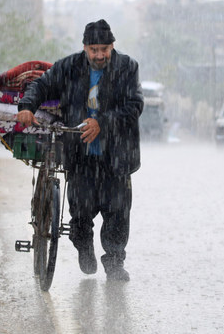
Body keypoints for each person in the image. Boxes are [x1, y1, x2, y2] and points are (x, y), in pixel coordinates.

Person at [16, 19, 143, 281]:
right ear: (85, 48)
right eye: (94, 49)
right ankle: (83, 246)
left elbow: (134, 105)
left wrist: (103, 122)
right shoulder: (69, 67)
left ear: (112, 46)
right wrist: (27, 106)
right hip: (80, 155)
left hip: (116, 155)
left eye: (104, 49)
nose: (99, 55)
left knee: (117, 212)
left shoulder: (128, 67)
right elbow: (41, 85)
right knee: (81, 212)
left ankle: (115, 264)